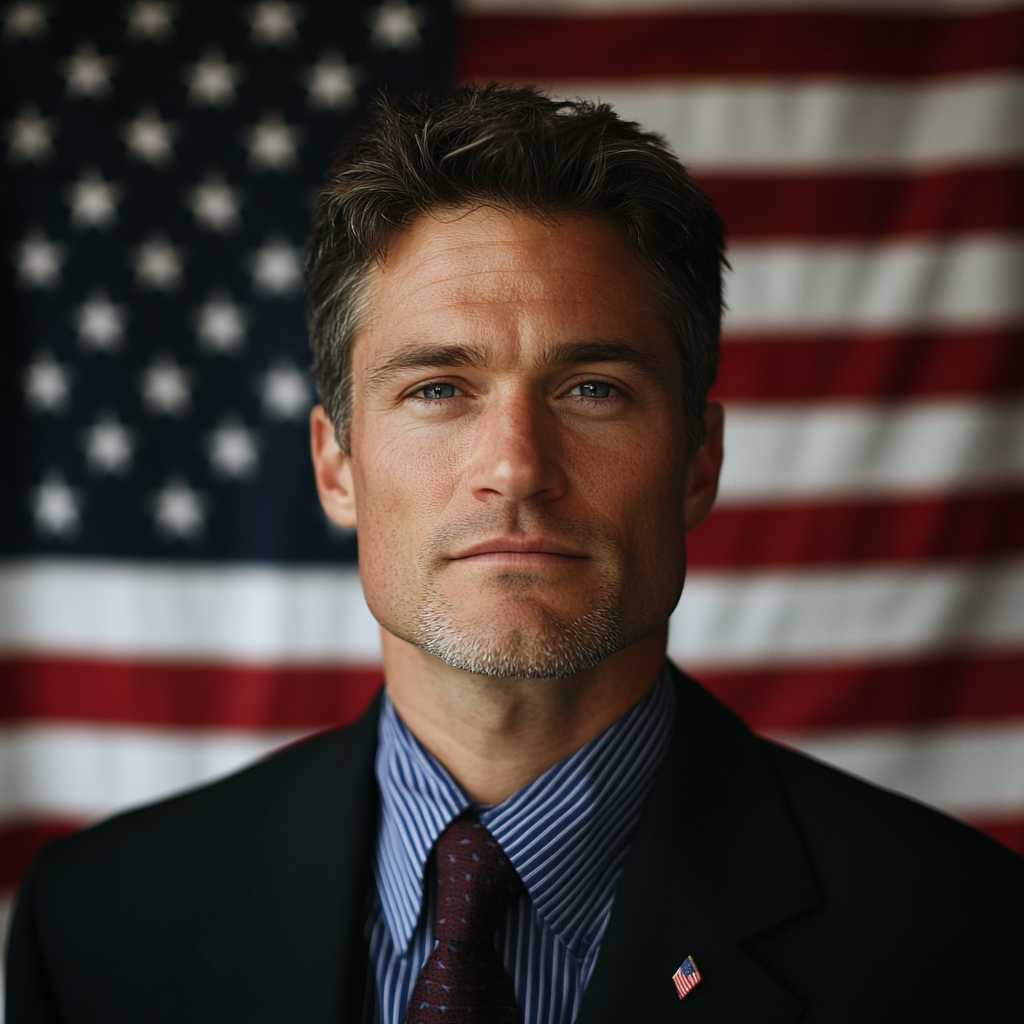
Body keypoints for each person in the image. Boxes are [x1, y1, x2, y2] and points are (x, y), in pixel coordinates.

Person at [6, 85, 1023, 1024]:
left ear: (698, 462)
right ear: (336, 464)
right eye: (439, 388)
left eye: (592, 388)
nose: (515, 468)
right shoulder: (96, 924)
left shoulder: (966, 938)